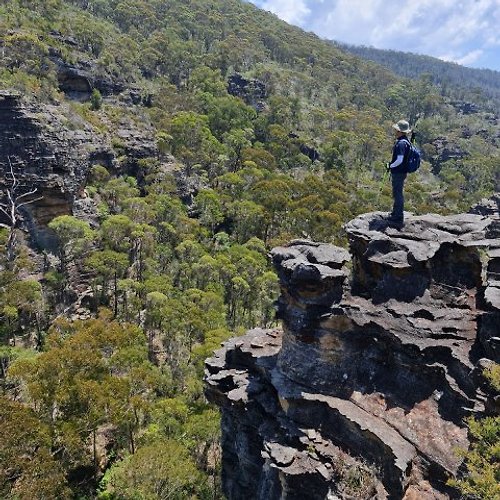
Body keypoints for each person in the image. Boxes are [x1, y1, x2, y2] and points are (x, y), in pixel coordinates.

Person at [387, 119, 412, 224]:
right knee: (397, 192)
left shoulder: (401, 143)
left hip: (398, 172)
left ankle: (398, 216)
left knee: (397, 193)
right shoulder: (405, 141)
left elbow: (399, 160)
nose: (395, 132)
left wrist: (390, 165)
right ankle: (396, 213)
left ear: (400, 131)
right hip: (401, 172)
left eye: (396, 130)